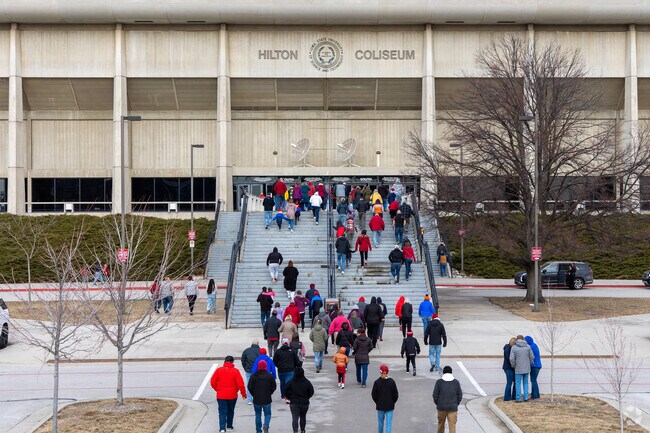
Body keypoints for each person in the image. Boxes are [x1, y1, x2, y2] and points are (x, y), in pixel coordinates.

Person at [209, 355, 247, 433]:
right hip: (232, 395)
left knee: (222, 412)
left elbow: (212, 382)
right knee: (230, 411)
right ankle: (229, 426)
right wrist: (243, 394)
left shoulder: (219, 370)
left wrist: (217, 389)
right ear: (232, 362)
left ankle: (222, 428)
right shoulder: (235, 371)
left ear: (224, 361)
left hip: (221, 395)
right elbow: (240, 384)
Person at [248, 359, 276, 433]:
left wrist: (254, 394)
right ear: (265, 366)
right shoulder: (269, 376)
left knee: (258, 414)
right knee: (268, 413)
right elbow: (274, 386)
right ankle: (266, 425)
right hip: (267, 398)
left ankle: (258, 430)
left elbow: (249, 387)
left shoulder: (254, 376)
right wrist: (270, 393)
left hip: (257, 399)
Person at [433, 365, 463, 433]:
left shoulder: (439, 382)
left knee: (440, 425)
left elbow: (435, 395)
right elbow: (460, 395)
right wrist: (455, 403)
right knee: (452, 426)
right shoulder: (456, 382)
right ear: (451, 373)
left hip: (441, 408)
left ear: (443, 373)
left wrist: (438, 403)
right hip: (452, 408)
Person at [285, 367, 314, 433]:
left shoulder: (291, 382)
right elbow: (311, 391)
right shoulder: (307, 382)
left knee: (295, 418)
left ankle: (295, 431)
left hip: (294, 403)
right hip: (304, 403)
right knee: (303, 417)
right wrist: (307, 397)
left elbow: (286, 390)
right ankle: (302, 430)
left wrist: (289, 397)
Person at [371, 364, 399, 433]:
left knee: (380, 423)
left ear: (380, 372)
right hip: (390, 405)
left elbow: (373, 394)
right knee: (388, 424)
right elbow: (396, 395)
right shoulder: (392, 382)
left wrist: (377, 401)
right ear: (387, 372)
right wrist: (392, 402)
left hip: (380, 406)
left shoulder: (377, 382)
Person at [509, 335, 534, 402]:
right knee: (525, 383)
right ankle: (526, 397)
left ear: (517, 339)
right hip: (526, 368)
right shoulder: (528, 347)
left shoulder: (514, 347)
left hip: (518, 368)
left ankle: (518, 398)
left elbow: (511, 358)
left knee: (518, 383)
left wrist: (514, 365)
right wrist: (529, 364)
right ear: (523, 339)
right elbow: (532, 357)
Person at [241, 339, 261, 405]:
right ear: (258, 343)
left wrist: (245, 368)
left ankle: (250, 400)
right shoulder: (260, 351)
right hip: (258, 371)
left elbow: (243, 360)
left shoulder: (247, 351)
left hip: (249, 370)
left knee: (249, 384)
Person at [525, 336, 542, 400]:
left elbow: (531, 357)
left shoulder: (531, 347)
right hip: (537, 365)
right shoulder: (534, 345)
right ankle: (536, 394)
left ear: (528, 341)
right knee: (534, 380)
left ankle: (534, 396)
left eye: (525, 340)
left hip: (534, 366)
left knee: (533, 380)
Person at [502, 337, 517, 401]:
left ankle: (514, 396)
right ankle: (507, 397)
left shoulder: (509, 348)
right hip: (508, 368)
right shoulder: (508, 349)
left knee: (515, 382)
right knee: (509, 382)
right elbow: (509, 359)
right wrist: (514, 365)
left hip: (510, 368)